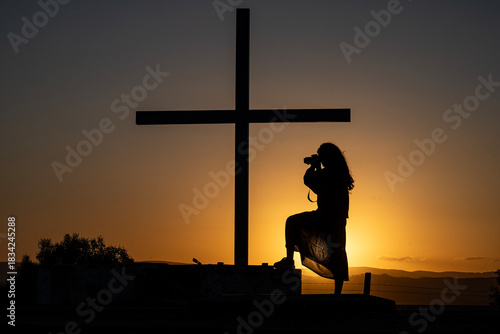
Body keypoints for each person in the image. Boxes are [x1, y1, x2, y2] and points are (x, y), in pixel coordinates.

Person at [274, 142, 354, 295]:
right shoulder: (340, 173)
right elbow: (319, 186)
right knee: (338, 251)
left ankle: (289, 260)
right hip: (337, 220)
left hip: (325, 216)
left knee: (292, 222)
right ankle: (337, 292)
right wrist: (316, 167)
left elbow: (310, 180)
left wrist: (313, 167)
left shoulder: (331, 172)